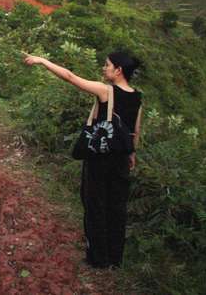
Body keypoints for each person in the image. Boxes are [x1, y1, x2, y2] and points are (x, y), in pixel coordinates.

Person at [24, 51, 142, 269]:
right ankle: (115, 258)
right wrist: (131, 155)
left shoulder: (106, 90)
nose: (104, 68)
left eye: (107, 65)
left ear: (119, 70)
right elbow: (134, 131)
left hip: (100, 158)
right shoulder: (137, 96)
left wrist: (42, 60)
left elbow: (69, 77)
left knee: (95, 204)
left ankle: (98, 258)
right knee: (117, 207)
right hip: (121, 159)